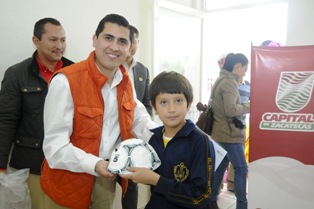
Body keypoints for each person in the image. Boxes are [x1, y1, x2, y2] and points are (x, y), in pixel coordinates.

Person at [40, 14, 157, 209]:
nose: (114, 47)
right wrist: (95, 164)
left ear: (130, 48)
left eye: (122, 41)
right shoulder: (66, 81)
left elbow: (139, 119)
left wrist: (168, 139)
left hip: (106, 180)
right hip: (67, 181)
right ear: (95, 39)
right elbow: (55, 147)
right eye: (108, 38)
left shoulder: (126, 81)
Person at [0, 18, 73, 209]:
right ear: (36, 40)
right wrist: (0, 164)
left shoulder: (75, 72)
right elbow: (6, 120)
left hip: (66, 165)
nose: (60, 46)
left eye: (63, 40)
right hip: (31, 166)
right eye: (53, 40)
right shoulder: (16, 74)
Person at [120, 71, 215, 209]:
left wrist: (156, 180)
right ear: (154, 107)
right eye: (164, 102)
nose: (171, 109)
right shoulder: (154, 139)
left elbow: (200, 196)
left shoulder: (200, 142)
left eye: (178, 101)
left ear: (188, 104)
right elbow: (155, 177)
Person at [210, 53, 250, 209]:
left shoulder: (221, 79)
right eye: (245, 69)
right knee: (241, 168)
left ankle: (212, 198)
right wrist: (249, 105)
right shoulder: (229, 82)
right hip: (229, 135)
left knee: (220, 167)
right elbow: (231, 110)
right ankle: (242, 205)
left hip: (220, 132)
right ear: (238, 67)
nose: (245, 73)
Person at [119, 25, 152, 209]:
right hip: (115, 136)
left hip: (135, 137)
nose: (131, 46)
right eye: (127, 41)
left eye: (134, 41)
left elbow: (146, 104)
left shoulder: (142, 70)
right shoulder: (112, 67)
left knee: (132, 185)